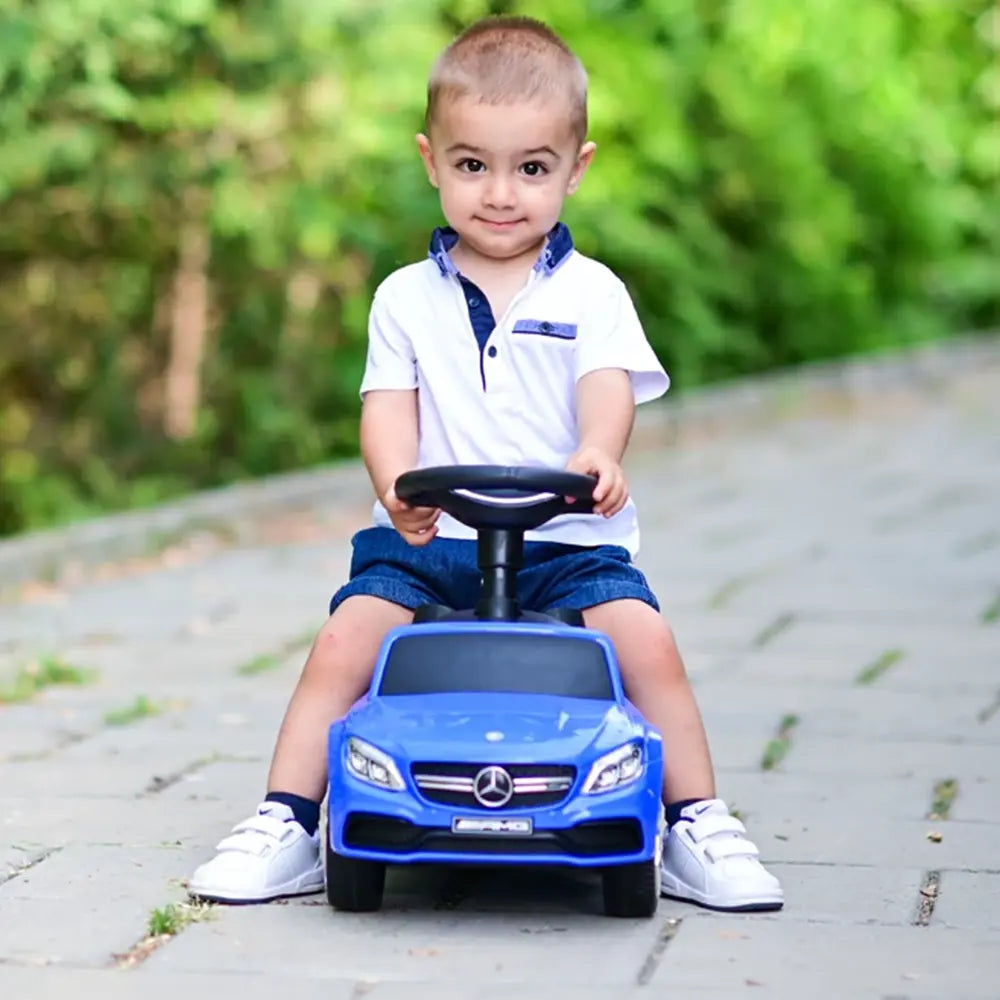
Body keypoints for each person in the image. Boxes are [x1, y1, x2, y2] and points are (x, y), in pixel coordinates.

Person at [188, 15, 783, 913]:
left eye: (531, 169)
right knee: (348, 638)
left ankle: (697, 819)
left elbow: (606, 385)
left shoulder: (592, 292)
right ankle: (288, 818)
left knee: (644, 640)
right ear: (432, 161)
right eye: (473, 166)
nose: (500, 194)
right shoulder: (404, 297)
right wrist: (396, 484)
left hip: (568, 541)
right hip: (436, 536)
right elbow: (387, 404)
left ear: (575, 167)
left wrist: (597, 451)